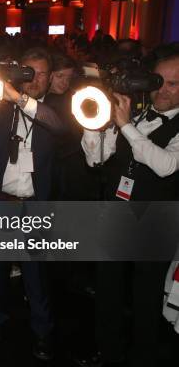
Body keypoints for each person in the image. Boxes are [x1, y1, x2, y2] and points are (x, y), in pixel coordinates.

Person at [81, 49, 179, 367]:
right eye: (159, 81)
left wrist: (125, 126)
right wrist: (92, 124)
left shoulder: (139, 123)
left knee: (145, 296)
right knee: (108, 289)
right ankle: (106, 350)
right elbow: (97, 158)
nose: (163, 90)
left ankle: (142, 356)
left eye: (174, 84)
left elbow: (166, 165)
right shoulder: (135, 114)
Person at [0, 47, 64, 360]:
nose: (34, 78)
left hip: (33, 206)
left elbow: (57, 127)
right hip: (0, 203)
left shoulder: (55, 111)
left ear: (50, 79)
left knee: (36, 275)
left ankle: (43, 332)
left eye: (41, 73)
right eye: (28, 71)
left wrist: (20, 100)